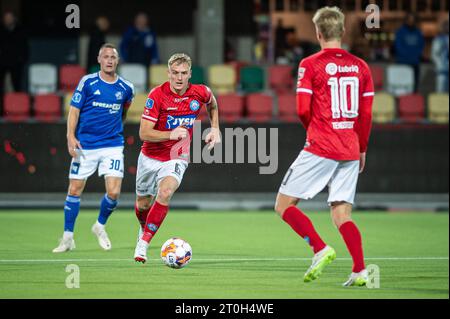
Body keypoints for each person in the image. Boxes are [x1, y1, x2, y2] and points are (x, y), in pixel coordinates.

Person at [274, 6, 374, 287]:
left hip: (321, 144)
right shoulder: (361, 67)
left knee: (283, 204)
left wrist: (316, 131)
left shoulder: (309, 64)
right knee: (342, 213)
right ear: (342, 32)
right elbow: (365, 115)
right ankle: (360, 270)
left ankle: (319, 248)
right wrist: (361, 147)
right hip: (351, 147)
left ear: (318, 33)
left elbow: (302, 109)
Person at [133, 53, 220, 263]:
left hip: (177, 155)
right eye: (175, 73)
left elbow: (212, 103)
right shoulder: (157, 95)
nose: (179, 78)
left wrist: (215, 128)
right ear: (168, 73)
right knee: (143, 205)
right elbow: (144, 133)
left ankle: (143, 243)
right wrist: (169, 134)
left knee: (165, 192)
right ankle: (144, 228)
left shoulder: (200, 92)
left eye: (183, 73)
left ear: (190, 74)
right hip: (149, 157)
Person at [53, 43, 135, 253]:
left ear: (117, 61)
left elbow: (123, 112)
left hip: (113, 145)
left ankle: (99, 226)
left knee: (114, 192)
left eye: (113, 57)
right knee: (74, 189)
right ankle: (67, 237)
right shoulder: (88, 82)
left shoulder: (126, 88)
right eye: (105, 56)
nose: (109, 60)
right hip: (86, 145)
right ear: (99, 59)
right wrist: (70, 136)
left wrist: (115, 129)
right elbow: (74, 111)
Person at [0, 11, 28, 114]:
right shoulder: (1, 31)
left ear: (14, 19)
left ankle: (18, 110)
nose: (8, 20)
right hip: (2, 62)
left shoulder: (20, 31)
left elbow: (24, 47)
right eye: (6, 18)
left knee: (17, 86)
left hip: (16, 63)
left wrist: (22, 59)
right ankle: (2, 110)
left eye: (10, 18)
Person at [394, 14, 424, 92]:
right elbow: (398, 47)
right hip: (402, 63)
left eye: (413, 20)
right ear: (406, 21)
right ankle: (402, 103)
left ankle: (413, 102)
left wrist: (415, 56)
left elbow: (421, 46)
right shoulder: (400, 32)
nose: (411, 22)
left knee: (414, 86)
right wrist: (409, 56)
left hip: (415, 63)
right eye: (409, 20)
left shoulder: (418, 32)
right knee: (403, 85)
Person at [431, 19, 449, 93]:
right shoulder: (438, 39)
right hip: (442, 71)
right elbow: (434, 54)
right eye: (446, 26)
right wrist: (439, 65)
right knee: (441, 93)